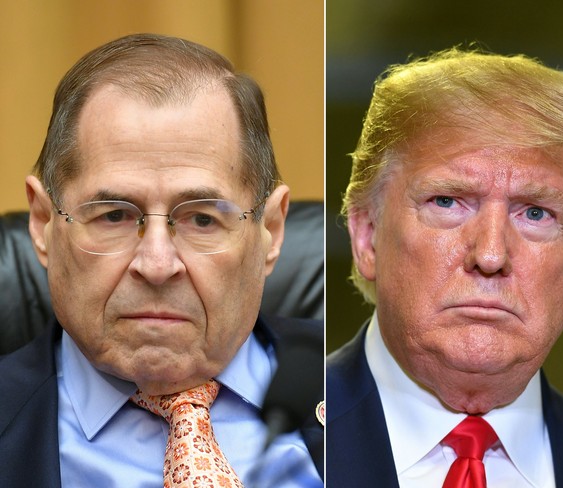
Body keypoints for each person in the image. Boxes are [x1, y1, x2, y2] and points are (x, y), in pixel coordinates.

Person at [0, 33, 323, 487]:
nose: (156, 264)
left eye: (202, 219)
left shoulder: (377, 388)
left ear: (270, 231)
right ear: (42, 223)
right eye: (114, 215)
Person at [326, 48, 563, 487]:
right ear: (366, 236)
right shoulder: (246, 450)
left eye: (535, 213)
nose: (492, 255)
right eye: (447, 201)